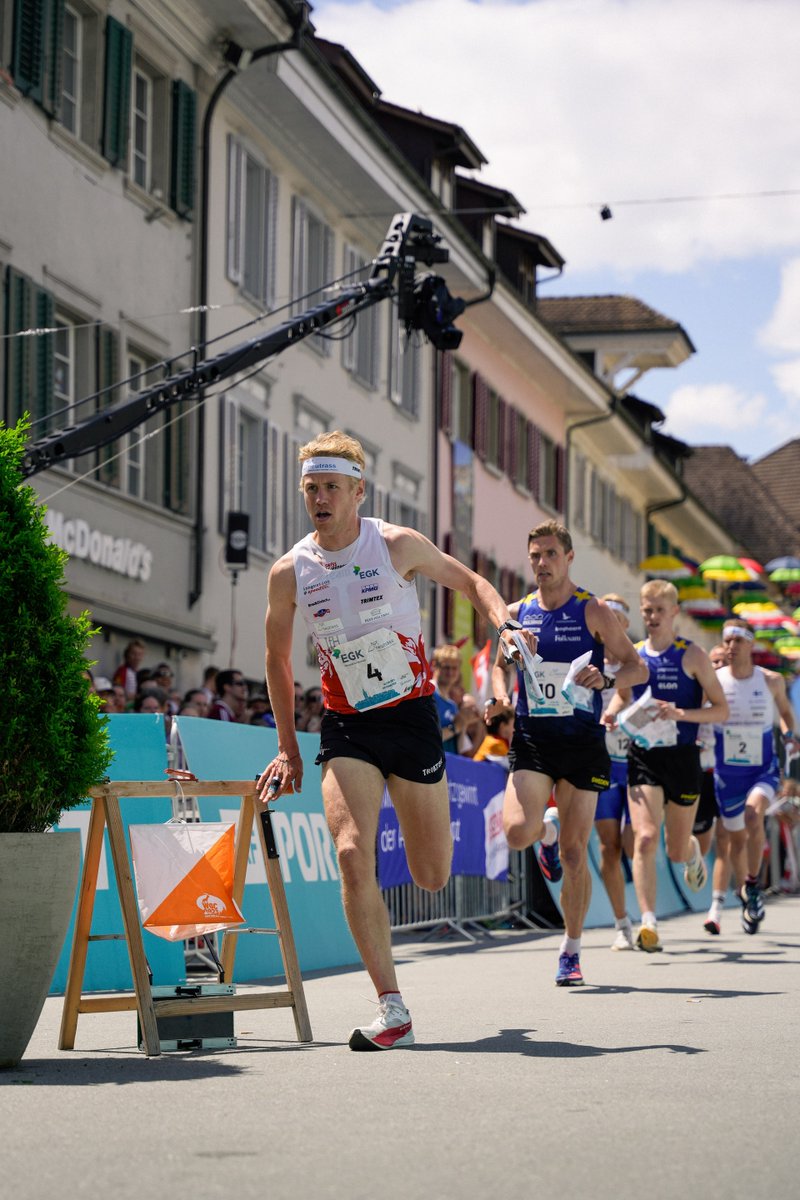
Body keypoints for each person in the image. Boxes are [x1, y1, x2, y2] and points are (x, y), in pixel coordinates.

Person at [255, 430, 536, 1051]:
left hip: (411, 717)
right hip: (346, 723)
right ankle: (392, 1007)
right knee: (352, 851)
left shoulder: (395, 544)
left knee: (431, 876)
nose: (320, 498)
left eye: (331, 487)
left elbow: (471, 584)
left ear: (359, 491)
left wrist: (505, 623)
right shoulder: (290, 572)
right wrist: (287, 745)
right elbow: (276, 660)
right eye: (311, 488)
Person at [490, 521, 648, 986]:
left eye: (551, 554)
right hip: (535, 738)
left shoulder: (593, 610)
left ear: (569, 557)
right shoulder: (517, 612)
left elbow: (636, 668)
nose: (542, 563)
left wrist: (607, 679)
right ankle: (544, 833)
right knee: (517, 832)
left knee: (576, 853)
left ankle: (571, 949)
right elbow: (499, 665)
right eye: (535, 555)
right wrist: (500, 697)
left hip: (582, 742)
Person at [604, 579, 729, 953]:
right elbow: (621, 697)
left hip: (683, 758)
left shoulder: (692, 655)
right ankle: (649, 923)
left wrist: (682, 713)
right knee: (643, 838)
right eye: (647, 610)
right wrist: (610, 716)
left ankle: (690, 852)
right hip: (643, 754)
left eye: (659, 610)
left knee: (674, 851)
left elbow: (721, 709)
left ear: (674, 612)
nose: (652, 617)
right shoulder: (635, 655)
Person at [711, 618, 798, 933]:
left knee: (753, 817)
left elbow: (787, 715)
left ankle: (753, 884)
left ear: (751, 644)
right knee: (736, 841)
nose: (731, 647)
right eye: (727, 641)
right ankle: (746, 890)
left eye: (737, 641)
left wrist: (790, 735)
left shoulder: (771, 681)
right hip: (727, 773)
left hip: (763, 768)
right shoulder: (715, 679)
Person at [595, 594, 637, 951]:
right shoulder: (587, 660)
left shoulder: (639, 663)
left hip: (637, 762)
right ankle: (622, 923)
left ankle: (648, 915)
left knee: (635, 842)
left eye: (616, 618)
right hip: (603, 765)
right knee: (609, 847)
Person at [699, 643, 731, 935]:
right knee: (703, 844)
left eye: (723, 661)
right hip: (704, 773)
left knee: (726, 839)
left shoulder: (735, 694)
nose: (719, 667)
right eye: (714, 662)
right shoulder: (697, 691)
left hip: (732, 773)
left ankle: (716, 909)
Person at [430, 644, 463, 752]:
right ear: (435, 665)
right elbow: (429, 737)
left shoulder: (452, 705)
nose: (450, 673)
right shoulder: (427, 694)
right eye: (446, 667)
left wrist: (465, 723)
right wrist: (455, 727)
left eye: (454, 668)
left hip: (448, 764)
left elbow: (460, 748)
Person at [473, 703, 514, 767]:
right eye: (513, 724)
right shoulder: (496, 744)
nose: (515, 727)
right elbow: (509, 765)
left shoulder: (491, 740)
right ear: (503, 726)